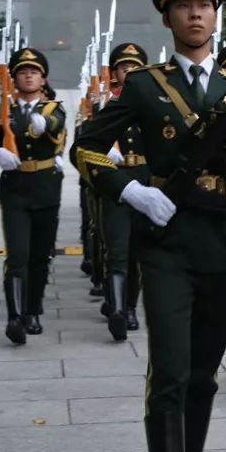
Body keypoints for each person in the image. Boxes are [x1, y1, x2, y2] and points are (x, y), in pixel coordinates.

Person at [70, 0, 226, 452]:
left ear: (218, 13)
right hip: (168, 242)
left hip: (225, 237)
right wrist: (130, 191)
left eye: (205, 3)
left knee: (206, 372)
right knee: (171, 371)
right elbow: (86, 147)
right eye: (184, 3)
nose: (196, 12)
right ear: (168, 16)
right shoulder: (144, 87)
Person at [0, 47, 66, 344]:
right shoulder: (3, 110)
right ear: (15, 79)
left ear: (43, 79)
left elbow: (57, 126)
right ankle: (16, 317)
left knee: (40, 256)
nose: (29, 75)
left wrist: (44, 123)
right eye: (23, 72)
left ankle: (33, 310)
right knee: (18, 255)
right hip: (15, 189)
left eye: (34, 72)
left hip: (46, 187)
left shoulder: (53, 108)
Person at [94, 42, 150, 340]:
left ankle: (129, 307)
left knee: (137, 251)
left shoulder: (153, 102)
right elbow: (86, 144)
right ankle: (116, 309)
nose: (128, 71)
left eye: (134, 66)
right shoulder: (104, 102)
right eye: (123, 67)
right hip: (114, 180)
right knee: (116, 248)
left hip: (144, 178)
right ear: (114, 72)